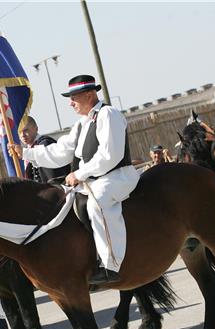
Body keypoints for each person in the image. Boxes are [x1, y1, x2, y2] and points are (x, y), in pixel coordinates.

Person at [9, 74, 140, 285]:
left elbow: (109, 155)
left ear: (90, 94)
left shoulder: (109, 115)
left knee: (99, 201)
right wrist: (26, 153)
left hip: (116, 177)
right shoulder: (82, 123)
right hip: (93, 180)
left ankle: (111, 265)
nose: (70, 103)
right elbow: (60, 151)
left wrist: (79, 174)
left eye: (74, 98)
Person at [20, 116, 70, 183]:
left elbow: (53, 178)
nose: (22, 135)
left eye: (26, 130)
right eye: (20, 131)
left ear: (36, 129)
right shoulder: (29, 149)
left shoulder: (45, 144)